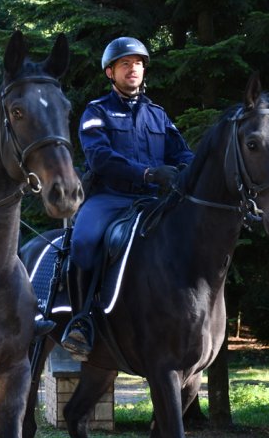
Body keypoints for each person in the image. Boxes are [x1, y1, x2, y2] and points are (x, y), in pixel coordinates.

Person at [61, 37, 195, 360]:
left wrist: (191, 173)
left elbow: (182, 153)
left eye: (137, 63)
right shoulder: (96, 112)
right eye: (125, 64)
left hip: (153, 201)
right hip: (109, 198)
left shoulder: (158, 115)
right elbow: (100, 158)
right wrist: (148, 173)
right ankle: (81, 323)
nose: (132, 69)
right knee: (83, 241)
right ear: (111, 72)